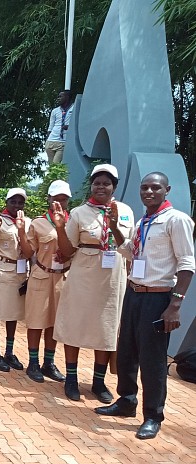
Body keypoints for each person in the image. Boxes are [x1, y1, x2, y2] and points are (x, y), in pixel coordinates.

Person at [96, 173, 194, 440]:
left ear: (167, 190)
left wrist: (175, 305)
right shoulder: (144, 222)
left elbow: (187, 265)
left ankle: (153, 416)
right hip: (134, 292)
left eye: (155, 187)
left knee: (152, 360)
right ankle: (126, 401)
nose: (148, 191)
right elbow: (129, 251)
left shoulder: (177, 220)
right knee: (127, 351)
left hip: (158, 297)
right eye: (144, 187)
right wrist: (115, 227)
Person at [53, 164, 134, 403]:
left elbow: (130, 248)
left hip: (112, 277)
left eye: (106, 183)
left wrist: (115, 223)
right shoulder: (79, 213)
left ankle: (99, 382)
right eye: (97, 182)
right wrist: (59, 227)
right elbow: (66, 251)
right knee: (76, 325)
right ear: (91, 185)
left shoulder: (127, 211)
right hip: (84, 275)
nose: (101, 187)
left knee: (106, 327)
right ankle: (71, 378)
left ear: (114, 187)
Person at [17, 180, 71, 383]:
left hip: (62, 277)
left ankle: (49, 362)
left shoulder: (72, 221)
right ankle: (33, 362)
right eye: (56, 198)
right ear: (48, 199)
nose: (60, 202)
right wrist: (21, 232)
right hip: (41, 274)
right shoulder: (38, 223)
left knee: (54, 322)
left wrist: (62, 227)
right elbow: (29, 251)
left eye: (64, 199)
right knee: (36, 321)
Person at [0, 188, 31, 373]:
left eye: (20, 202)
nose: (17, 205)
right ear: (6, 202)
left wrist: (21, 230)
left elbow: (30, 250)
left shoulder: (27, 222)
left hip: (20, 270)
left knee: (14, 314)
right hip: (3, 269)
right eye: (13, 201)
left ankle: (9, 352)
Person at [45, 90, 73, 165]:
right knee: (52, 167)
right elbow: (50, 127)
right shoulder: (55, 111)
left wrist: (70, 127)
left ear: (67, 97)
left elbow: (77, 123)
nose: (58, 98)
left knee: (56, 165)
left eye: (61, 96)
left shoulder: (74, 109)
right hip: (51, 141)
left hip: (62, 142)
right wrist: (47, 140)